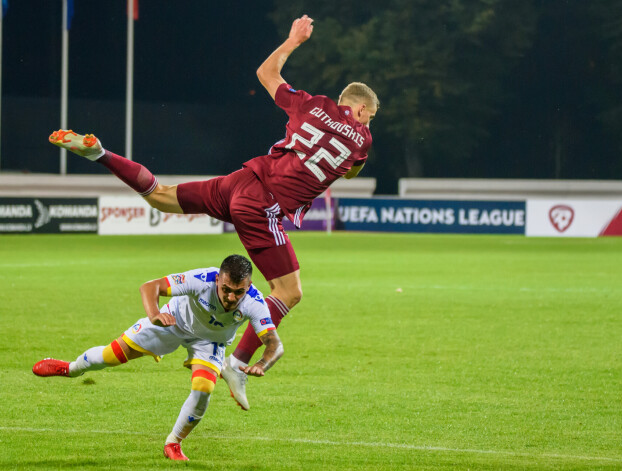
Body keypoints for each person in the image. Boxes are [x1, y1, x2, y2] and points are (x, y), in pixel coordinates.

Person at [49, 14, 378, 411]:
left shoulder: (310, 105)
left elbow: (265, 72)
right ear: (360, 109)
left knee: (161, 195)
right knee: (289, 292)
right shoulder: (362, 139)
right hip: (262, 204)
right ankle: (237, 362)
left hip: (241, 181)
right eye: (369, 115)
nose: (368, 121)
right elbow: (352, 169)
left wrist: (293, 41)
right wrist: (356, 146)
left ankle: (100, 153)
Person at [32, 255, 283, 461]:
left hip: (210, 342)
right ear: (218, 279)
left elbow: (274, 344)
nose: (230, 298)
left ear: (248, 287)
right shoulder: (201, 279)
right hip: (172, 322)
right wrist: (153, 314)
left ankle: (174, 443)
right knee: (112, 355)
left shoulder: (254, 302)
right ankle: (70, 368)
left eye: (237, 293)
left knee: (204, 387)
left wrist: (262, 363)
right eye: (226, 289)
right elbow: (150, 286)